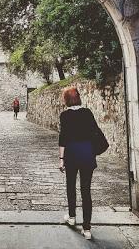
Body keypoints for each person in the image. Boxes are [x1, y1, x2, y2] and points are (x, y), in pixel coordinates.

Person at [59, 87, 101, 240]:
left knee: (71, 186)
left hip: (71, 155)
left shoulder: (64, 116)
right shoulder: (87, 113)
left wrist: (61, 159)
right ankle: (87, 229)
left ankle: (71, 217)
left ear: (66, 100)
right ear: (79, 98)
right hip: (87, 154)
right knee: (86, 191)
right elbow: (94, 132)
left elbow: (63, 138)